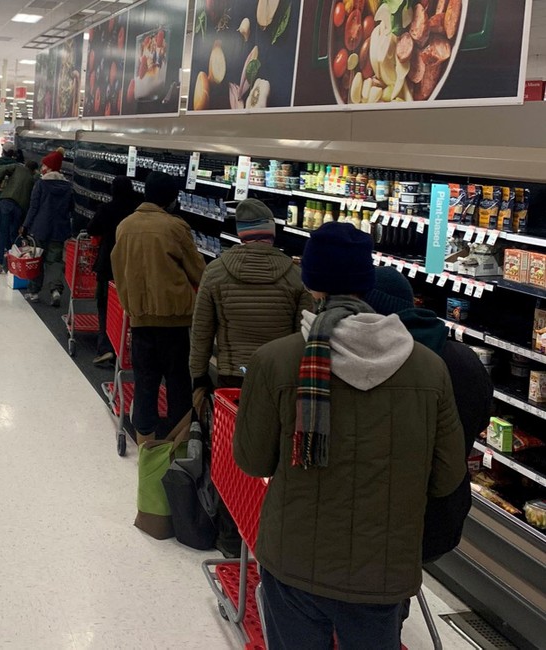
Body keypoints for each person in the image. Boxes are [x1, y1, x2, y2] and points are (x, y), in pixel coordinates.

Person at [233, 222, 466, 648]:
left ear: (311, 282)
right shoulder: (428, 368)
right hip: (384, 570)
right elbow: (448, 475)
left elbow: (252, 459)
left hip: (294, 560)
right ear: (367, 280)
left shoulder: (276, 360)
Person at [364, 268, 492, 565]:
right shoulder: (463, 359)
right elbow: (480, 421)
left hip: (385, 520)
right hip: (443, 516)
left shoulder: (375, 363)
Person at [111, 171, 206, 441]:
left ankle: (146, 445)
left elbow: (118, 270)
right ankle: (178, 446)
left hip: (140, 320)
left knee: (145, 383)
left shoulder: (125, 226)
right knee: (177, 383)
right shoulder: (175, 227)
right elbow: (198, 272)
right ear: (172, 198)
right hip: (174, 321)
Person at [191, 198, 313, 389]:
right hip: (279, 377)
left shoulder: (215, 271)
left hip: (233, 375)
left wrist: (198, 375)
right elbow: (303, 335)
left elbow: (202, 329)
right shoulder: (296, 276)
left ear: (241, 234)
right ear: (271, 232)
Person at [86, 176, 140, 365]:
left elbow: (92, 228)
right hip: (132, 267)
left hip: (108, 265)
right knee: (131, 309)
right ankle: (130, 349)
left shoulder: (107, 209)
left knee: (105, 306)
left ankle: (107, 348)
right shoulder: (137, 211)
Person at [21, 149, 74, 306]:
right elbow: (71, 209)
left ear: (49, 168)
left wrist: (25, 225)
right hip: (59, 230)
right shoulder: (68, 187)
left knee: (36, 259)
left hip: (40, 228)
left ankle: (34, 292)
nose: (42, 167)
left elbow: (34, 207)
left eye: (44, 165)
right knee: (54, 261)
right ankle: (55, 290)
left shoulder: (41, 184)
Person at [0, 159, 37, 274]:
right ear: (34, 170)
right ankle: (14, 264)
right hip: (20, 208)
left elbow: (3, 169)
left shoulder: (17, 167)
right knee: (14, 235)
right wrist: (24, 224)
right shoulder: (33, 179)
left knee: (2, 233)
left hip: (6, 202)